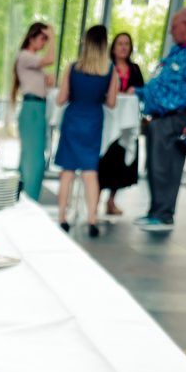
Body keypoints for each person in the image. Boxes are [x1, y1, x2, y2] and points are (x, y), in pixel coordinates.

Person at [131, 6, 186, 232]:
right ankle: (155, 211)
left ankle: (164, 215)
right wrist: (140, 92)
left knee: (167, 168)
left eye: (174, 26)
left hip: (176, 118)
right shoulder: (177, 50)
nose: (170, 31)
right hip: (158, 118)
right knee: (154, 166)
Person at [55, 24, 119, 238]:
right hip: (93, 121)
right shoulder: (109, 70)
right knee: (90, 173)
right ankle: (92, 220)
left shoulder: (72, 68)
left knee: (67, 172)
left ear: (86, 43)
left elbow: (61, 99)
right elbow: (112, 103)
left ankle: (62, 217)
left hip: (73, 120)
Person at [98, 32, 144, 216]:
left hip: (126, 123)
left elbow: (142, 91)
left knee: (120, 161)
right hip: (108, 121)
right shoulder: (106, 67)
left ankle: (111, 201)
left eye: (127, 44)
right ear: (113, 47)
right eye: (120, 43)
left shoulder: (135, 69)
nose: (124, 47)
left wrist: (135, 91)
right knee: (103, 160)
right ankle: (95, 199)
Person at [12, 22, 55, 201]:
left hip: (37, 109)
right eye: (42, 39)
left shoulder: (32, 60)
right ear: (31, 38)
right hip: (32, 110)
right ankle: (30, 200)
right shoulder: (25, 56)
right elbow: (50, 59)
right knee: (34, 161)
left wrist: (46, 81)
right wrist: (52, 36)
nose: (44, 43)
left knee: (30, 158)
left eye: (46, 40)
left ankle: (23, 199)